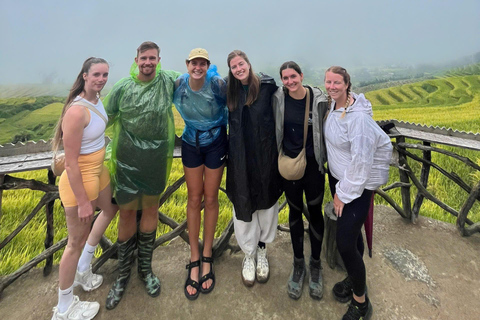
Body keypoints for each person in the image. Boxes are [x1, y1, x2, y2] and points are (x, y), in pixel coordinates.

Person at [103, 41, 180, 309]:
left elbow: (196, 80)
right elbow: (102, 118)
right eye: (143, 58)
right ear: (135, 59)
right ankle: (123, 275)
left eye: (152, 58)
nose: (148, 62)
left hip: (155, 160)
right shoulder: (123, 87)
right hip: (126, 161)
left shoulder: (168, 81)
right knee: (125, 214)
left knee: (150, 211)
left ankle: (145, 271)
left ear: (160, 59)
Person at [51, 57, 118, 320]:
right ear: (85, 76)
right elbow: (70, 163)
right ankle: (64, 307)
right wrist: (82, 201)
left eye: (105, 75)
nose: (101, 79)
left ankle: (83, 268)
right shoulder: (77, 111)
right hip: (80, 177)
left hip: (99, 171)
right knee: (74, 242)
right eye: (97, 75)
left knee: (110, 209)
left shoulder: (97, 99)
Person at [324, 66, 392, 320]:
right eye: (328, 82)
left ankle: (361, 302)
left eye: (337, 83)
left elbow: (361, 162)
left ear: (347, 84)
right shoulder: (335, 105)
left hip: (356, 187)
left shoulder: (358, 119)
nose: (332, 87)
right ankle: (354, 278)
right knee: (351, 237)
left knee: (344, 242)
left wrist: (342, 193)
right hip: (340, 180)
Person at [173, 48, 228, 300]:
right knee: (193, 199)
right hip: (191, 142)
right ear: (187, 65)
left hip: (216, 142)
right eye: (194, 63)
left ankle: (208, 256)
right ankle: (194, 256)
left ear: (207, 65)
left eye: (202, 63)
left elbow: (238, 103)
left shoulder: (217, 85)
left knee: (211, 198)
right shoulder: (178, 85)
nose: (198, 67)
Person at [272, 61, 328, 300]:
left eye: (293, 76)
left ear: (301, 76)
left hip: (314, 167)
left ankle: (315, 265)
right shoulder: (279, 99)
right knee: (294, 214)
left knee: (315, 214)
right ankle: (298, 265)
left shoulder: (319, 100)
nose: (289, 82)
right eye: (285, 78)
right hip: (290, 169)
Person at [226, 50, 282, 287]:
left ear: (248, 64)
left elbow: (284, 109)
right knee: (243, 203)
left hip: (265, 157)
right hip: (239, 158)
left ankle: (262, 249)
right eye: (233, 66)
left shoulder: (267, 88)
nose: (238, 69)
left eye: (241, 64)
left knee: (266, 204)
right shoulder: (229, 93)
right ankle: (248, 254)